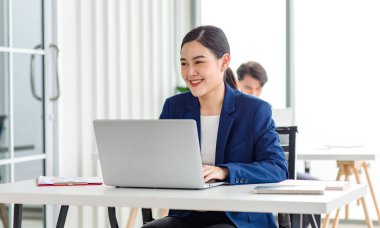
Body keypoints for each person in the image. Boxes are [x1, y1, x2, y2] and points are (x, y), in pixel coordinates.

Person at [142, 25, 288, 228]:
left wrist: (225, 171)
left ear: (224, 62)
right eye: (184, 63)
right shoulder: (174, 107)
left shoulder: (254, 110)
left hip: (238, 218)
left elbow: (277, 168)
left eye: (199, 62)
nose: (189, 72)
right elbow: (158, 159)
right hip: (187, 214)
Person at [237, 61, 319, 228]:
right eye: (248, 87)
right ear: (237, 83)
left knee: (314, 187)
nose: (254, 93)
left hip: (276, 169)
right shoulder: (234, 114)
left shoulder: (262, 111)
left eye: (258, 88)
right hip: (254, 173)